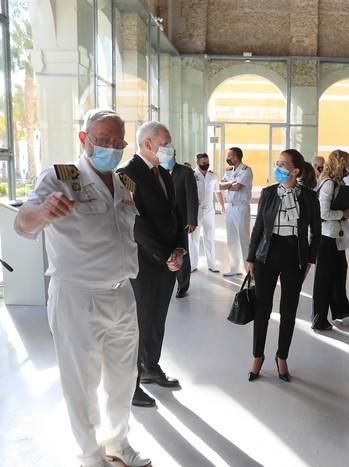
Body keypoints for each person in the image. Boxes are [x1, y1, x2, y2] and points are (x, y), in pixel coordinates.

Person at [14, 109, 151, 467]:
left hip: (122, 292)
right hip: (77, 295)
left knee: (123, 378)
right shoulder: (60, 178)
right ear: (83, 139)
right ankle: (89, 455)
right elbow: (22, 222)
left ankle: (117, 443)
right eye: (101, 140)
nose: (109, 147)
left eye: (116, 142)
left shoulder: (124, 184)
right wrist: (43, 211)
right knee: (81, 382)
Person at [117, 121, 186, 409]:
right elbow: (136, 224)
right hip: (144, 263)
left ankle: (151, 367)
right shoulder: (126, 176)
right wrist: (164, 255)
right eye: (165, 141)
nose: (170, 147)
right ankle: (130, 386)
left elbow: (176, 214)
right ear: (148, 143)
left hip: (167, 262)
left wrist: (179, 249)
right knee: (139, 324)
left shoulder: (164, 174)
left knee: (157, 319)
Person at [245, 149, 321, 382]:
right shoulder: (268, 193)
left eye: (282, 164)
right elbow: (258, 228)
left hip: (293, 255)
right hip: (266, 255)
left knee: (288, 311)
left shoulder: (308, 197)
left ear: (295, 171)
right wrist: (250, 258)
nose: (277, 167)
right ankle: (257, 356)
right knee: (262, 309)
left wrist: (309, 260)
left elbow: (316, 233)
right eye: (277, 163)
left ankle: (282, 357)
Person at [311, 150, 349, 330]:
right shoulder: (328, 184)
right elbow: (322, 213)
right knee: (324, 280)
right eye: (346, 163)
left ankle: (341, 308)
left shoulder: (338, 182)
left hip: (337, 236)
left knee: (339, 274)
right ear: (339, 164)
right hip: (327, 238)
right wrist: (343, 213)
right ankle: (319, 318)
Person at [160, 148, 198, 298]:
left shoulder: (185, 172)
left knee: (182, 250)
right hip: (162, 221)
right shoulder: (157, 171)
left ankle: (182, 285)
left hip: (181, 220)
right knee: (165, 251)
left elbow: (192, 197)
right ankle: (165, 282)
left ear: (174, 155)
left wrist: (192, 220)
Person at [219, 147, 253, 277]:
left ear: (236, 157)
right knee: (231, 239)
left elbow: (238, 187)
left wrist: (227, 185)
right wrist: (229, 184)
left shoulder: (246, 170)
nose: (228, 158)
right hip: (230, 208)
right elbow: (220, 185)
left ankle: (249, 270)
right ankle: (234, 268)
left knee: (244, 239)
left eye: (230, 156)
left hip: (241, 208)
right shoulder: (229, 170)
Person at [190, 153, 224, 273]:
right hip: (196, 211)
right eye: (203, 162)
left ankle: (212, 264)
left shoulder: (213, 176)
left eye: (207, 162)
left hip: (209, 211)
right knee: (194, 238)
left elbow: (218, 192)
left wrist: (223, 206)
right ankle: (193, 264)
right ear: (197, 162)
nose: (206, 164)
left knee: (209, 237)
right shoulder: (192, 175)